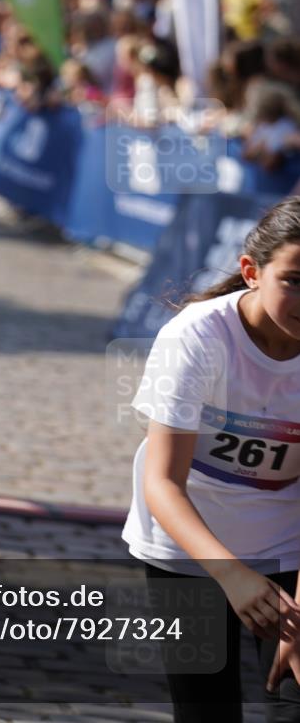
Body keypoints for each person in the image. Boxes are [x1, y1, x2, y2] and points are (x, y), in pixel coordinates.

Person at [122, 197, 300, 720]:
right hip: (186, 550)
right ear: (252, 272)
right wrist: (232, 574)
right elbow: (163, 483)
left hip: (288, 549)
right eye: (295, 280)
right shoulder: (196, 335)